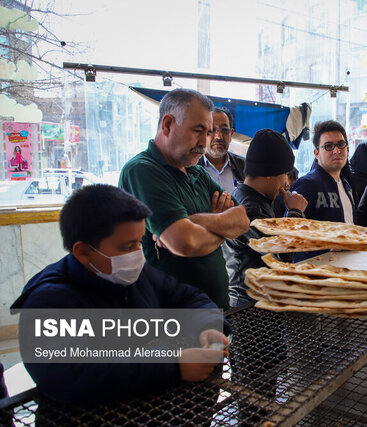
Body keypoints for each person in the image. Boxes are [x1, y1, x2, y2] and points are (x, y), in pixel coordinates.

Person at [11, 184, 229, 404]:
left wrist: (208, 326)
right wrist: (173, 366)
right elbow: (69, 373)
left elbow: (189, 298)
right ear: (84, 252)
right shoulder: (48, 302)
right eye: (127, 247)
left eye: (139, 242)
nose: (137, 255)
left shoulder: (135, 277)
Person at [119, 88, 250, 310]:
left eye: (208, 133)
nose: (204, 141)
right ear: (168, 124)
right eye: (198, 131)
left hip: (216, 308)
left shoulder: (196, 172)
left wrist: (196, 220)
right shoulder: (142, 171)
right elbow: (185, 242)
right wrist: (221, 227)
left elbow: (242, 221)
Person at [225, 129, 307, 307]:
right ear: (269, 173)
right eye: (285, 173)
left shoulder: (251, 197)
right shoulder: (250, 210)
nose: (287, 182)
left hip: (257, 301)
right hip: (248, 309)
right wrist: (295, 213)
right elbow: (281, 261)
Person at [291, 120, 357, 260]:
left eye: (341, 144)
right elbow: (291, 235)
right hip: (316, 270)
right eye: (328, 146)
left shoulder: (347, 186)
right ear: (316, 153)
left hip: (348, 264)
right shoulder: (307, 185)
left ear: (347, 148)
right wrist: (328, 246)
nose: (337, 150)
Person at [197, 107, 246, 194]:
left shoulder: (244, 167)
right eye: (212, 130)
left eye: (224, 130)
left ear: (231, 134)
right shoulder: (190, 169)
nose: (218, 137)